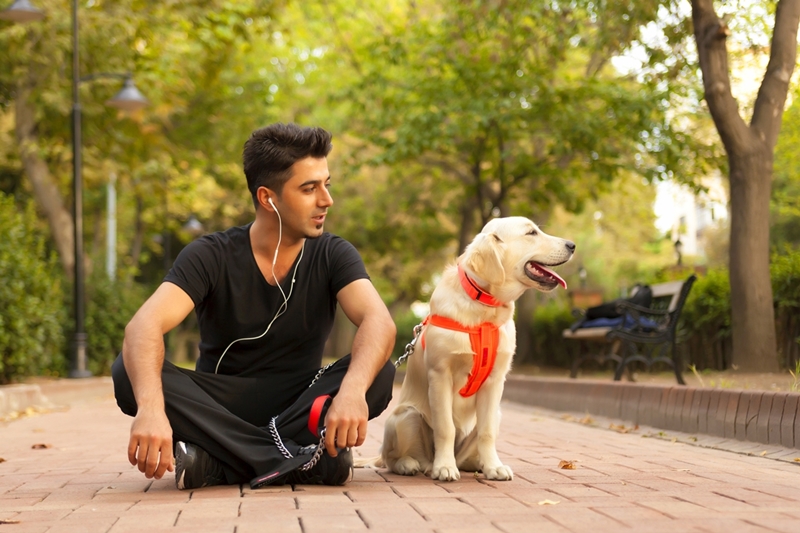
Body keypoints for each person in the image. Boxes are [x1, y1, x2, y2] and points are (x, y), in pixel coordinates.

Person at [111, 123, 397, 490]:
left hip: (301, 401)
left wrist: (354, 392)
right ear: (268, 198)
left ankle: (219, 463)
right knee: (127, 373)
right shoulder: (210, 254)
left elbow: (378, 321)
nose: (326, 200)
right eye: (309, 189)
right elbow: (142, 327)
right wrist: (151, 410)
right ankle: (300, 461)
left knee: (379, 372)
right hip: (219, 404)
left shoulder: (333, 253)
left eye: (327, 184)